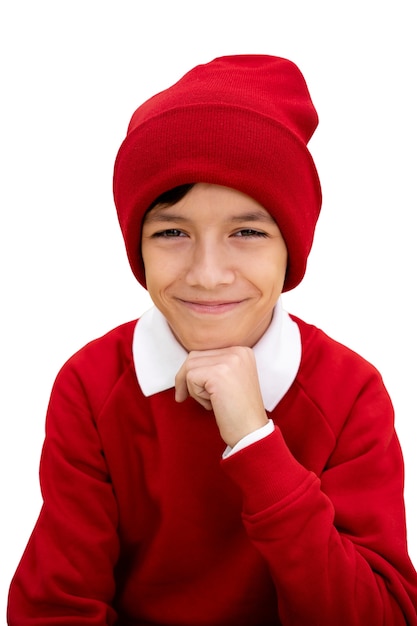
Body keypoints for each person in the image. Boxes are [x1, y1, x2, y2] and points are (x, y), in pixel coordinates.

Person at [7, 54, 417, 625]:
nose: (207, 273)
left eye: (247, 232)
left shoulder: (348, 393)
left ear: (291, 247)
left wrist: (255, 441)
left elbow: (382, 616)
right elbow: (53, 607)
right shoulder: (92, 384)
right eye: (172, 232)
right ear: (137, 247)